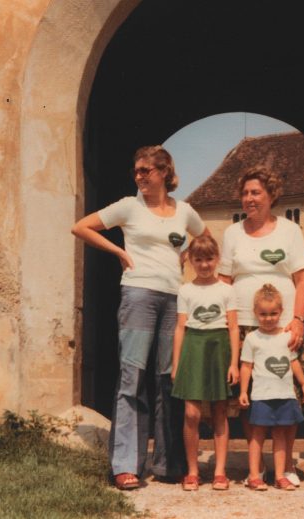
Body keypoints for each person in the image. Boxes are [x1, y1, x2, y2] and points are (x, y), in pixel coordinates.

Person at [71, 145, 208, 490]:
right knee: (132, 378)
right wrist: (118, 251)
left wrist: (183, 260)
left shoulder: (185, 211)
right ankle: (125, 465)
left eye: (146, 170)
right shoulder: (128, 206)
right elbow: (82, 227)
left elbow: (205, 240)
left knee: (168, 380)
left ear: (164, 172)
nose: (139, 176)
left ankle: (168, 462)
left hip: (173, 299)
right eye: (137, 171)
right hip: (138, 295)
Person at [218, 167, 304, 486]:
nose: (249, 198)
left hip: (283, 326)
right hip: (244, 326)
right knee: (250, 398)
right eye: (245, 193)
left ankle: (285, 465)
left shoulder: (289, 230)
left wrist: (298, 320)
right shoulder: (232, 233)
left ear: (272, 195)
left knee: (287, 393)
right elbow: (223, 280)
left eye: (256, 192)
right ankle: (255, 466)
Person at [171, 235, 240, 491]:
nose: (204, 265)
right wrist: (176, 363)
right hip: (193, 347)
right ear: (190, 261)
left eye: (209, 259)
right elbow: (180, 328)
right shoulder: (185, 290)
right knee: (192, 413)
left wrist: (233, 363)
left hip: (218, 347)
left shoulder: (226, 290)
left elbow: (233, 328)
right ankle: (192, 471)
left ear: (217, 259)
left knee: (220, 411)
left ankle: (220, 471)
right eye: (198, 259)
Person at [239, 284, 304, 491]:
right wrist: (244, 391)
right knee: (257, 436)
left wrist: (303, 383)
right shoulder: (252, 338)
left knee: (281, 435)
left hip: (285, 394)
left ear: (281, 312)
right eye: (263, 314)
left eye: (273, 313)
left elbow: (294, 362)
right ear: (255, 313)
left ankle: (280, 476)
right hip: (262, 396)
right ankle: (254, 475)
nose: (268, 318)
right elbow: (246, 366)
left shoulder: (287, 337)